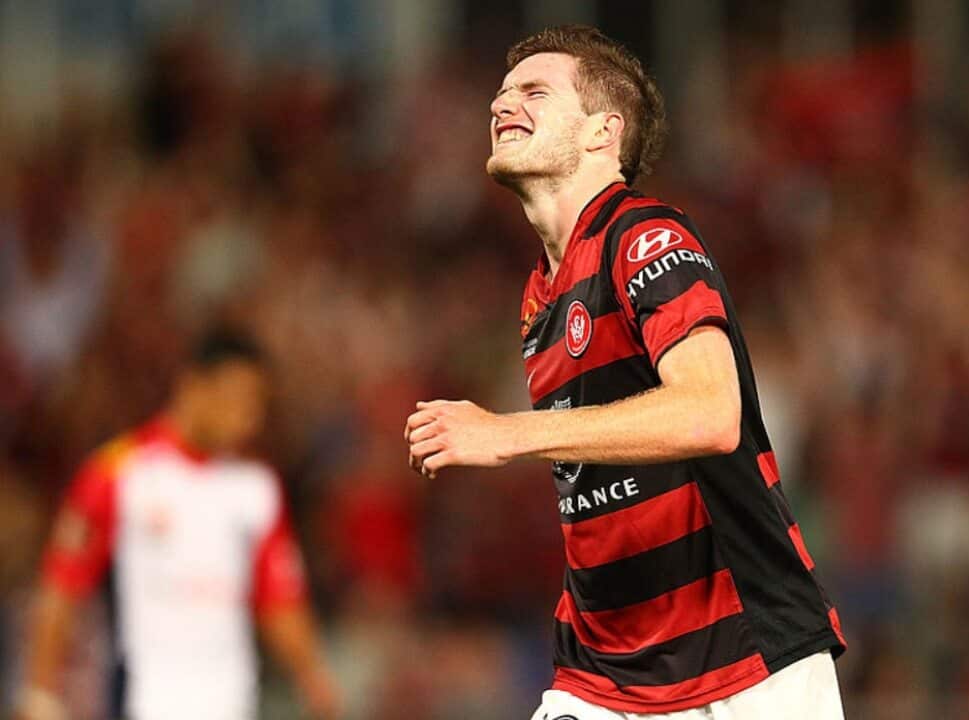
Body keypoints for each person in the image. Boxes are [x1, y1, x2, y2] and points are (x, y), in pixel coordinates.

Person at [404, 25, 845, 719]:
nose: (501, 105)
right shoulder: (539, 296)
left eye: (534, 92)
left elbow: (709, 412)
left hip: (744, 662)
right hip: (605, 671)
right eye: (500, 93)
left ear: (601, 133)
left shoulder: (645, 238)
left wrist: (506, 434)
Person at [17, 330, 339, 720]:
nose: (248, 419)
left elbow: (279, 598)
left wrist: (313, 678)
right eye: (236, 399)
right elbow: (62, 584)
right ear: (193, 387)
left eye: (257, 405)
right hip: (145, 698)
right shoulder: (120, 472)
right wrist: (39, 691)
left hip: (231, 701)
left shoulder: (255, 488)